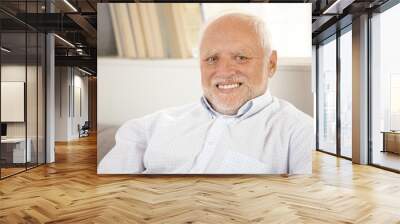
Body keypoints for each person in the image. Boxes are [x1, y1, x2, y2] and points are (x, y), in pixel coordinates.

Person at [98, 12, 314, 174]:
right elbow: (107, 197)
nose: (224, 72)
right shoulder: (146, 128)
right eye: (212, 59)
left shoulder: (301, 133)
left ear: (272, 64)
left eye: (241, 57)